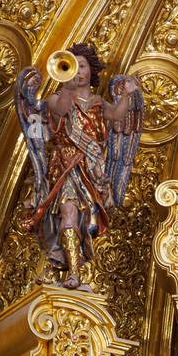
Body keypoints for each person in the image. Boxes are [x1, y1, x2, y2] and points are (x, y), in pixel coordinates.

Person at [16, 43, 142, 288]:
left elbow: (117, 116)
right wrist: (66, 86)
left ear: (90, 71)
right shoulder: (56, 98)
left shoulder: (97, 101)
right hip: (64, 164)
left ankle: (63, 265)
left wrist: (128, 94)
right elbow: (61, 110)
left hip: (90, 166)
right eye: (71, 66)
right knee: (67, 212)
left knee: (81, 217)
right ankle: (72, 272)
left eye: (81, 66)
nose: (77, 71)